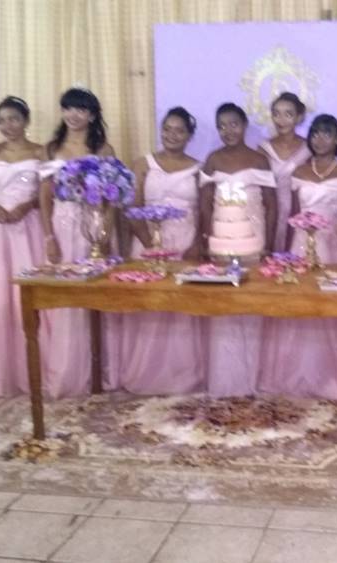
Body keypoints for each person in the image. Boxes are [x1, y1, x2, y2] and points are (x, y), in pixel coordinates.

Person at [259, 115, 337, 399]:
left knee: (332, 308)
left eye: (327, 134)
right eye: (315, 134)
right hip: (300, 247)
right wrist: (284, 254)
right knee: (299, 307)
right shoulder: (299, 171)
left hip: (333, 245)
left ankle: (336, 377)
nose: (320, 139)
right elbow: (292, 216)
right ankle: (295, 375)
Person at [114, 107, 205, 395]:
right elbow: (133, 206)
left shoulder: (199, 167)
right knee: (149, 304)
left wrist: (197, 243)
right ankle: (145, 374)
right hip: (147, 240)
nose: (172, 135)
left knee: (181, 305)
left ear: (189, 136)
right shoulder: (143, 163)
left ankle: (184, 376)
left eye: (179, 130)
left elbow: (204, 209)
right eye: (167, 129)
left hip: (184, 240)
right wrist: (150, 244)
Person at [38, 87, 116, 398]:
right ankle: (65, 374)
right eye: (68, 108)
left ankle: (96, 374)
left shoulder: (103, 149)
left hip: (92, 222)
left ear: (92, 116)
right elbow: (44, 195)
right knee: (65, 298)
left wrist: (105, 231)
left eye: (81, 110)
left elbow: (111, 197)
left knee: (93, 298)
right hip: (62, 222)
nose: (74, 115)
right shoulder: (51, 149)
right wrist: (48, 235)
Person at [198, 102, 275, 396]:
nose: (227, 131)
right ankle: (224, 379)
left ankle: (252, 378)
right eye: (222, 126)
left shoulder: (259, 160)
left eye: (233, 124)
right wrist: (205, 237)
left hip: (253, 238)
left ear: (244, 126)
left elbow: (271, 204)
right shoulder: (213, 159)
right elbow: (205, 203)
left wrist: (270, 243)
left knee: (252, 302)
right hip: (222, 238)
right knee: (223, 305)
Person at [0, 96, 46, 398]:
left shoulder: (40, 152)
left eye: (14, 119)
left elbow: (47, 195)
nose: (8, 126)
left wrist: (26, 206)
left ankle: (35, 367)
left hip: (29, 227)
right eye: (2, 120)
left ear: (26, 121)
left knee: (29, 292)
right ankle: (1, 368)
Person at [259, 92, 311, 252]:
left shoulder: (309, 148)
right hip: (271, 211)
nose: (281, 120)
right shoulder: (263, 148)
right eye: (276, 114)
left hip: (301, 210)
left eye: (288, 115)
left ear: (299, 117)